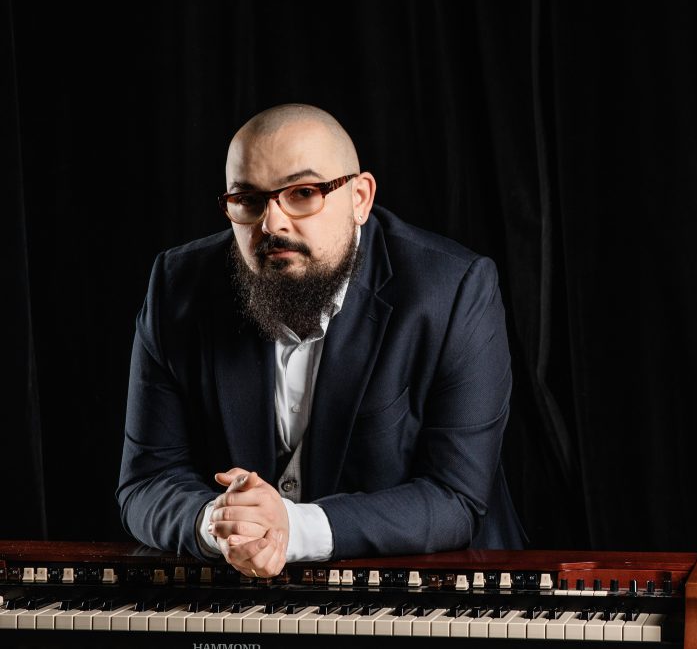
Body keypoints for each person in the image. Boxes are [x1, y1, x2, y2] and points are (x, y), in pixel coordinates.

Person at [117, 103, 524, 577]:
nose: (272, 224)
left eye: (303, 193)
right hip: (244, 592)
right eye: (248, 199)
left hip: (436, 591)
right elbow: (146, 482)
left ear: (360, 199)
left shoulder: (454, 290)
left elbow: (455, 497)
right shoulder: (178, 286)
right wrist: (219, 522)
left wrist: (291, 527)